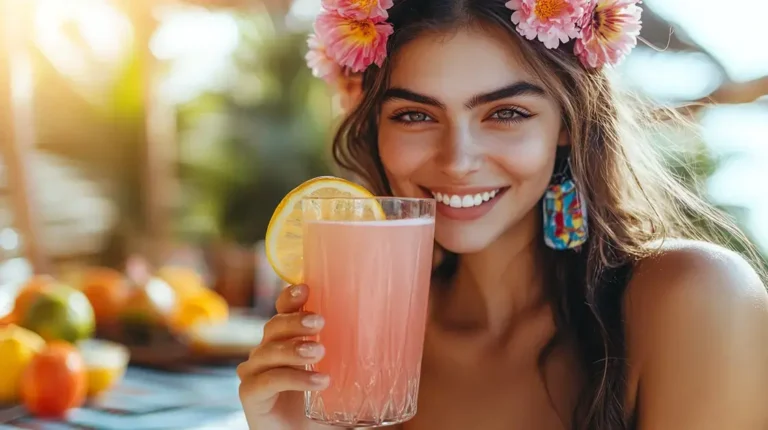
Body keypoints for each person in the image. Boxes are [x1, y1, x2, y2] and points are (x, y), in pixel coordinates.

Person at [237, 0, 768, 429]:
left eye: (506, 113)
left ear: (568, 122)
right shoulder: (368, 354)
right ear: (374, 129)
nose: (458, 161)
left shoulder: (694, 299)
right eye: (415, 115)